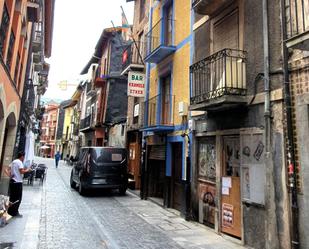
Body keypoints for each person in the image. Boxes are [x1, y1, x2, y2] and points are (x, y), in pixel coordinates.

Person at [7, 152, 31, 217]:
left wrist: (9, 175)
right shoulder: (19, 162)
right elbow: (21, 171)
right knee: (18, 198)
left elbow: (7, 169)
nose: (24, 158)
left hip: (12, 181)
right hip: (18, 182)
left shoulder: (14, 161)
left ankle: (10, 211)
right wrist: (27, 170)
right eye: (24, 157)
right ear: (22, 156)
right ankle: (15, 212)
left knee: (12, 198)